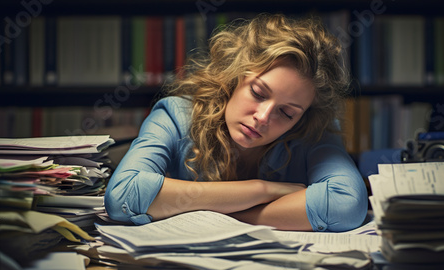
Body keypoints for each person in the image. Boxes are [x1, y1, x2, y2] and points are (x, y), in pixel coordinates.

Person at [105, 13, 368, 232]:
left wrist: (221, 218)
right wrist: (262, 190)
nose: (263, 117)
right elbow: (123, 195)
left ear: (303, 116)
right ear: (234, 76)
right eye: (258, 93)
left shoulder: (314, 130)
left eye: (287, 113)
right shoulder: (176, 114)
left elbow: (346, 204)